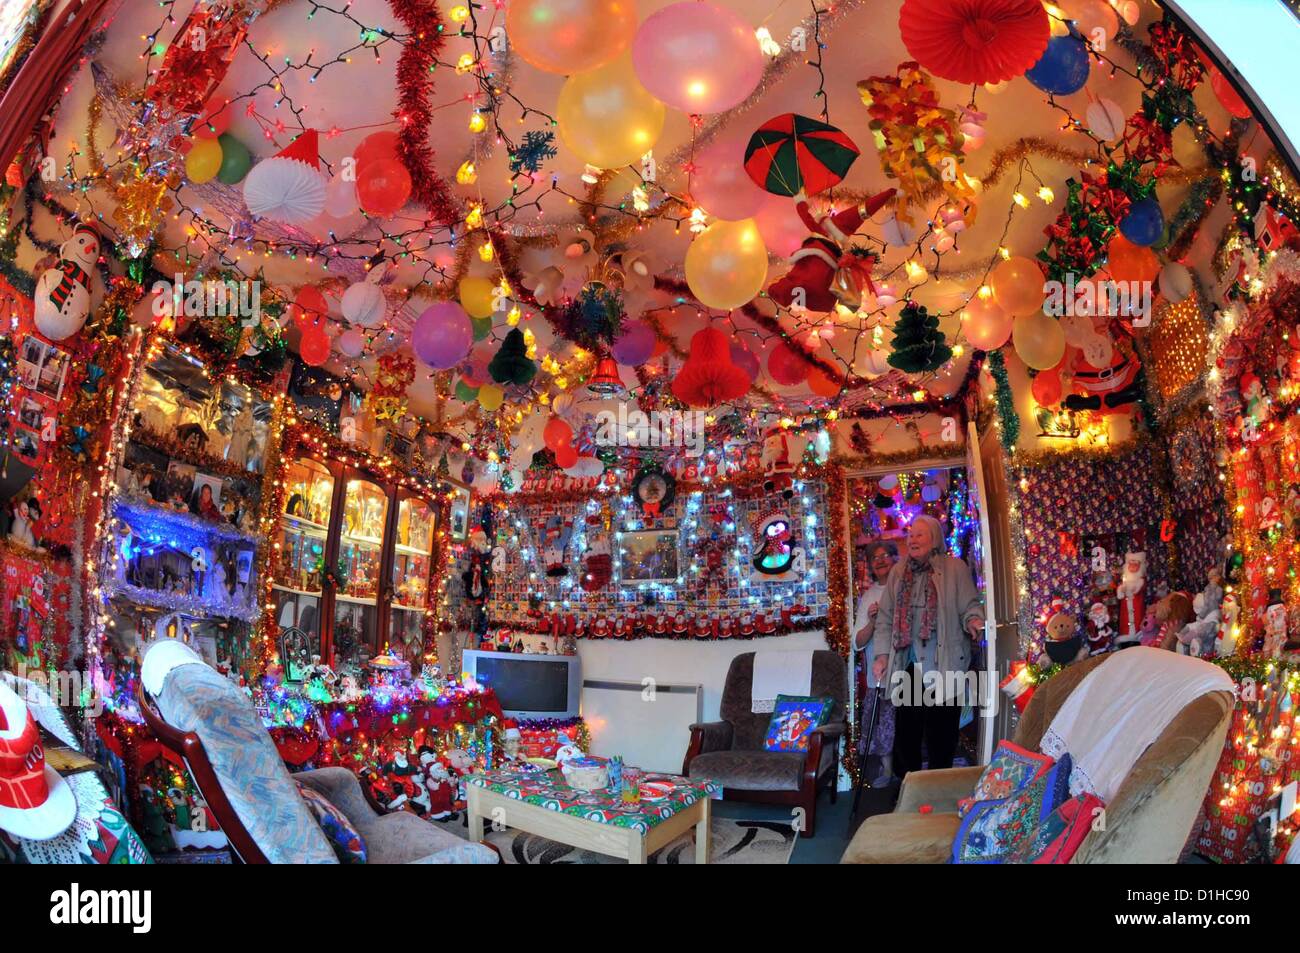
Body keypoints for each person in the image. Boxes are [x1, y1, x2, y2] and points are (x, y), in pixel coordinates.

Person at [871, 515, 984, 778]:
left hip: (944, 661)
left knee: (942, 731)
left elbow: (969, 605)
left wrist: (974, 620)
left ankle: (939, 785)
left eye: (920, 534)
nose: (913, 538)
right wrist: (881, 656)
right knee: (907, 732)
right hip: (909, 662)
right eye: (911, 534)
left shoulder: (954, 568)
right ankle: (907, 787)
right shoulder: (899, 571)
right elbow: (886, 617)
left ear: (935, 539)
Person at [854, 539, 899, 784]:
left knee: (904, 725)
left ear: (895, 558)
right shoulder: (869, 596)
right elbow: (858, 642)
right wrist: (873, 620)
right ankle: (887, 772)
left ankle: (907, 774)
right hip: (879, 676)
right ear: (870, 565)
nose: (880, 561)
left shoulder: (905, 587)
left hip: (907, 672)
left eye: (885, 555)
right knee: (883, 726)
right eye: (875, 558)